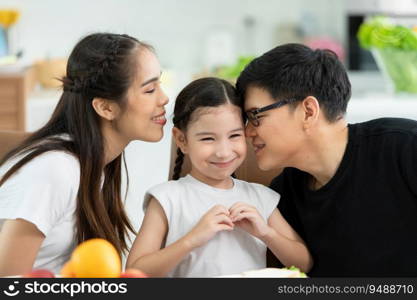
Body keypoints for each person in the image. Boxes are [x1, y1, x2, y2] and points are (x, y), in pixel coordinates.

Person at [236, 43, 417, 277]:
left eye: (255, 116)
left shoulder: (404, 148)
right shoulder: (284, 193)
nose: (248, 131)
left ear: (309, 111)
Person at [0, 33, 169, 276]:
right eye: (150, 89)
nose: (164, 98)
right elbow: (9, 283)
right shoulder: (54, 170)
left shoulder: (95, 164)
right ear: (106, 107)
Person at [126, 77, 312, 277]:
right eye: (208, 138)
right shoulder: (167, 198)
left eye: (234, 136)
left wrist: (266, 233)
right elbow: (135, 272)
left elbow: (305, 263)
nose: (223, 152)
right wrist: (192, 239)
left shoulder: (261, 197)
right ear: (182, 139)